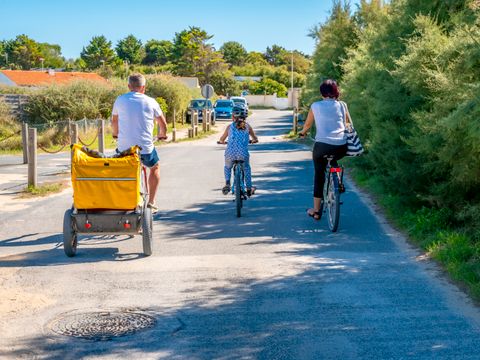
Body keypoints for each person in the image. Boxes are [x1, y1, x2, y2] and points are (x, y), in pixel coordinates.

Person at [111, 74, 167, 213]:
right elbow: (163, 123)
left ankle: (123, 201)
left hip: (125, 149)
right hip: (145, 148)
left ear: (129, 86)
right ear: (144, 88)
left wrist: (115, 134)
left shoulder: (120, 100)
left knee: (123, 170)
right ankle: (152, 202)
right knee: (154, 167)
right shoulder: (151, 101)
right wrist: (162, 134)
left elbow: (115, 121)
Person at [299, 79, 348, 220]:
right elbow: (347, 123)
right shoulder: (342, 105)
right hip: (341, 146)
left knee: (319, 175)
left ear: (322, 93)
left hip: (322, 146)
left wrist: (302, 133)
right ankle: (337, 179)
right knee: (334, 158)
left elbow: (307, 125)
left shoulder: (315, 106)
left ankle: (316, 211)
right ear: (336, 92)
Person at [218, 113, 258, 197]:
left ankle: (228, 183)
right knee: (246, 169)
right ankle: (249, 189)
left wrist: (222, 142)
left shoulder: (229, 127)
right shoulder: (248, 127)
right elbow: (255, 139)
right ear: (245, 117)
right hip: (243, 154)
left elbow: (221, 139)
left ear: (233, 117)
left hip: (230, 154)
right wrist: (253, 140)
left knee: (227, 167)